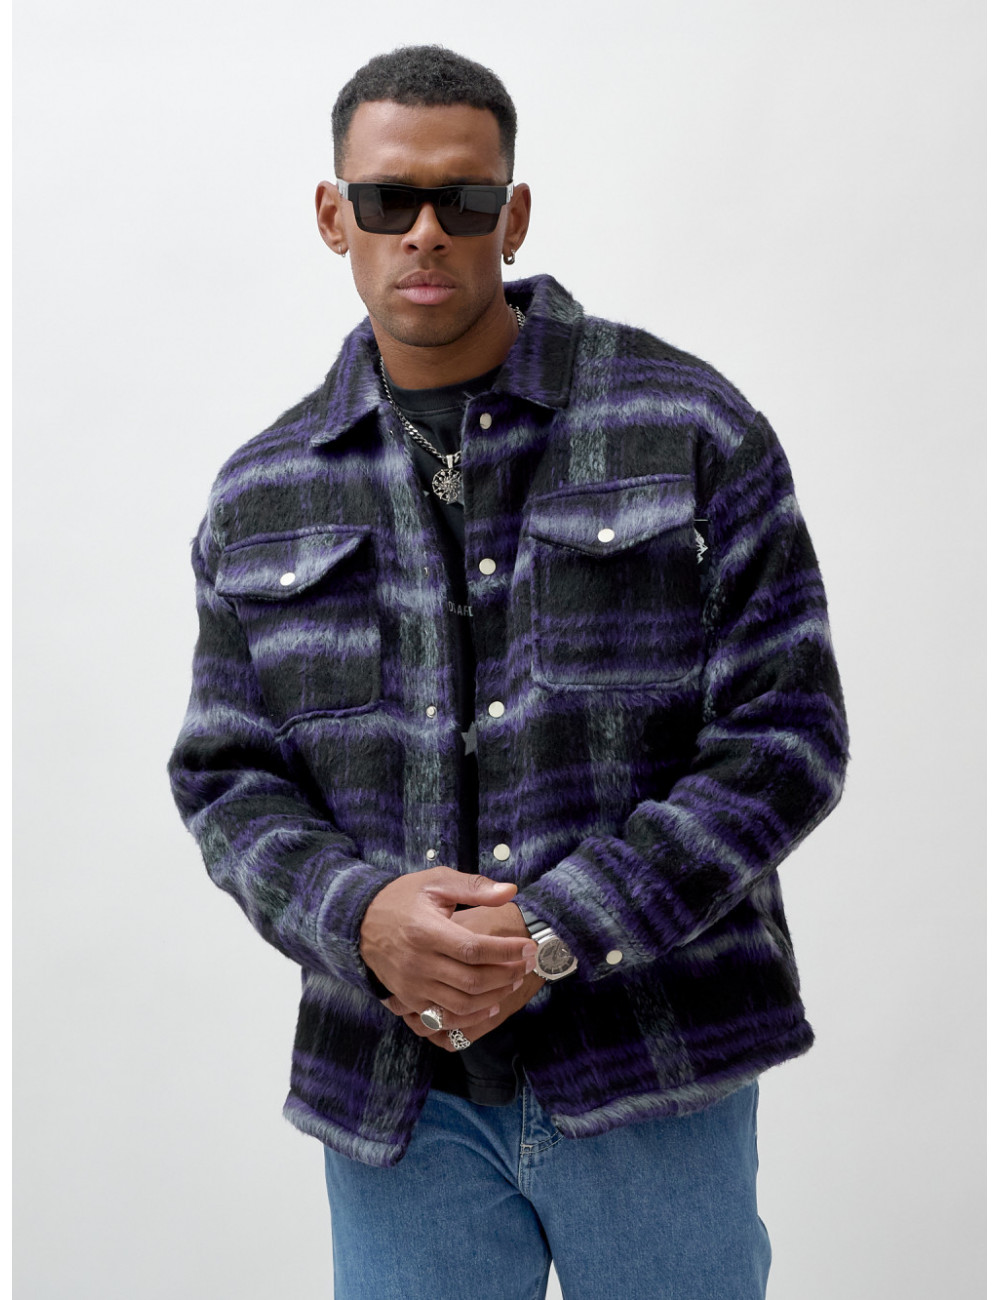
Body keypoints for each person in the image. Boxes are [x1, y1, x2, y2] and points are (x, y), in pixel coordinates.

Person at [169, 44, 848, 1300]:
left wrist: (552, 932)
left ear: (513, 212)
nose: (425, 231)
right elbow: (227, 780)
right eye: (389, 199)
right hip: (395, 1100)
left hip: (655, 1065)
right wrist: (362, 918)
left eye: (463, 199)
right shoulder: (261, 493)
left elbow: (787, 736)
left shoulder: (688, 427)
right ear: (334, 215)